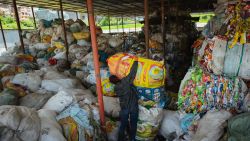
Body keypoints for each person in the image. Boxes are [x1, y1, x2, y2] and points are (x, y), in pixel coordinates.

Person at [109, 61, 139, 141]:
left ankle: (120, 138)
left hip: (124, 107)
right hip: (133, 106)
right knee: (133, 124)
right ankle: (132, 138)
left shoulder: (116, 88)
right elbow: (133, 73)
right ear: (117, 78)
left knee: (123, 124)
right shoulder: (125, 81)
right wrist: (136, 61)